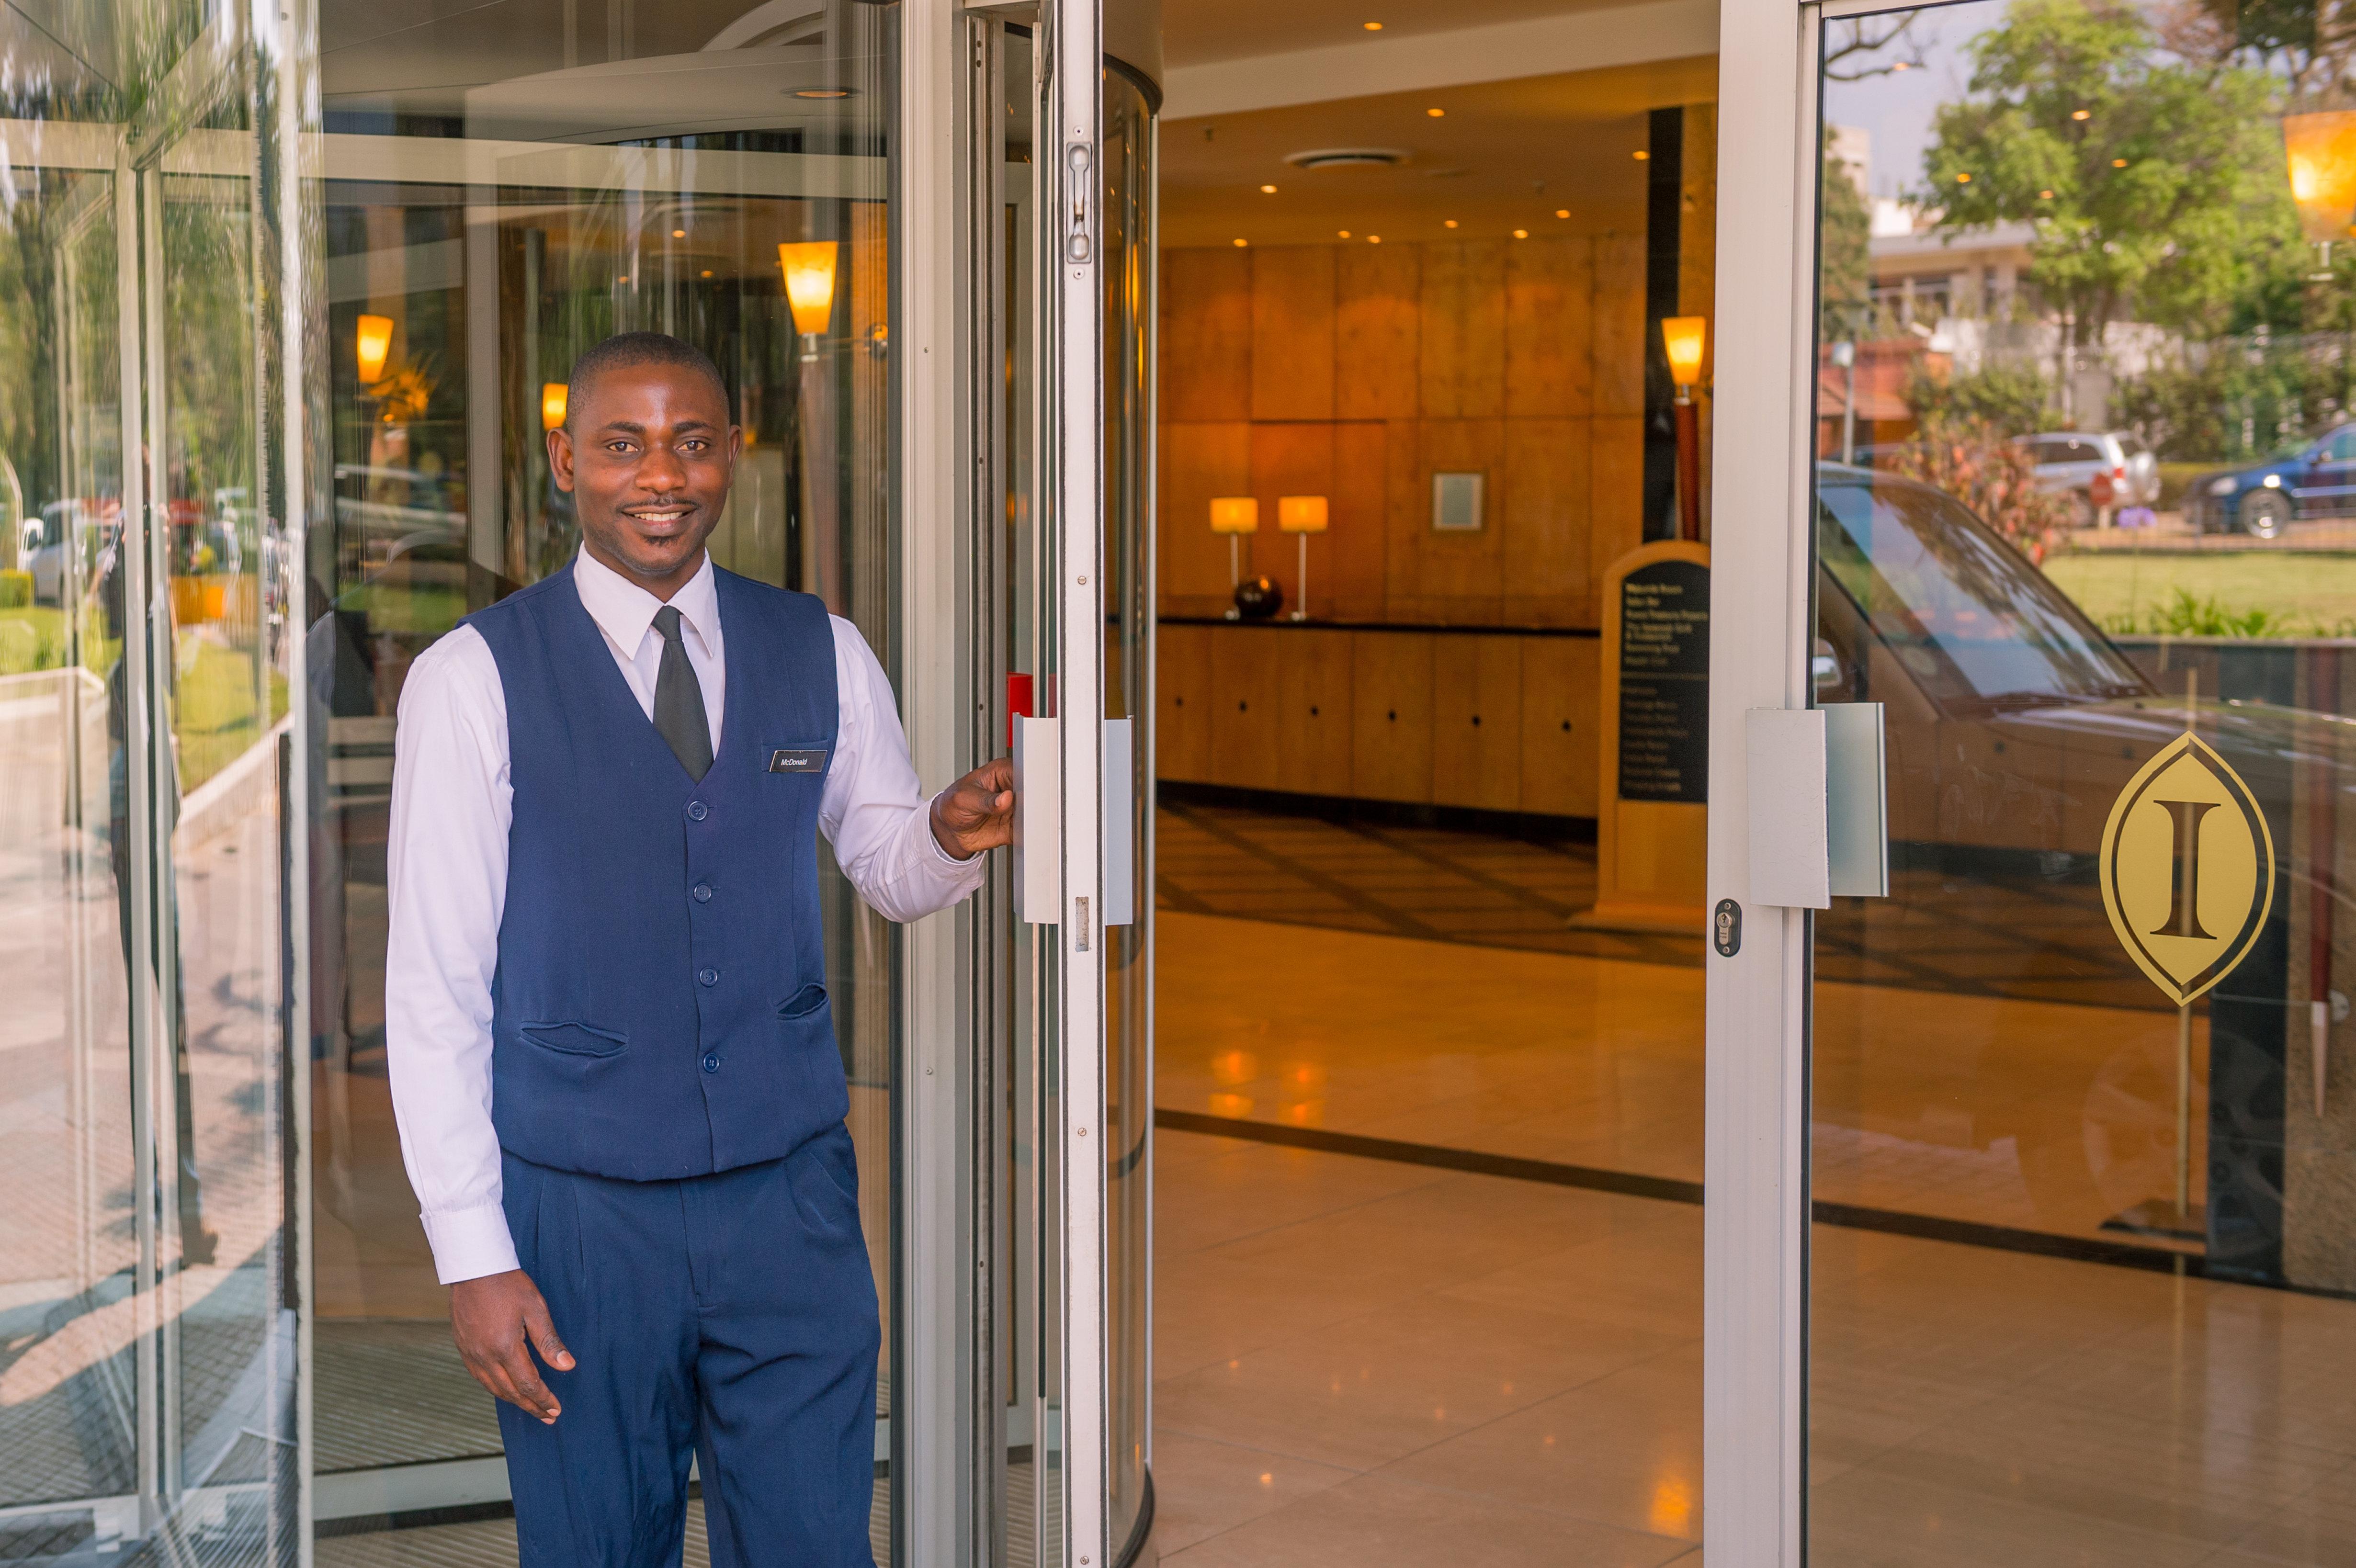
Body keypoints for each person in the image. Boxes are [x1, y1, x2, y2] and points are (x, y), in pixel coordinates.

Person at [384, 331, 1012, 1566]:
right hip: (578, 1212)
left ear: (734, 457)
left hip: (790, 1202)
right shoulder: (472, 679)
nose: (658, 474)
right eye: (621, 444)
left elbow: (886, 864)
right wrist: (473, 1253)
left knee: (816, 1543)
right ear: (566, 461)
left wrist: (946, 834)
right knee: (597, 1548)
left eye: (691, 442)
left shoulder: (818, 647)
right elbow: (437, 989)